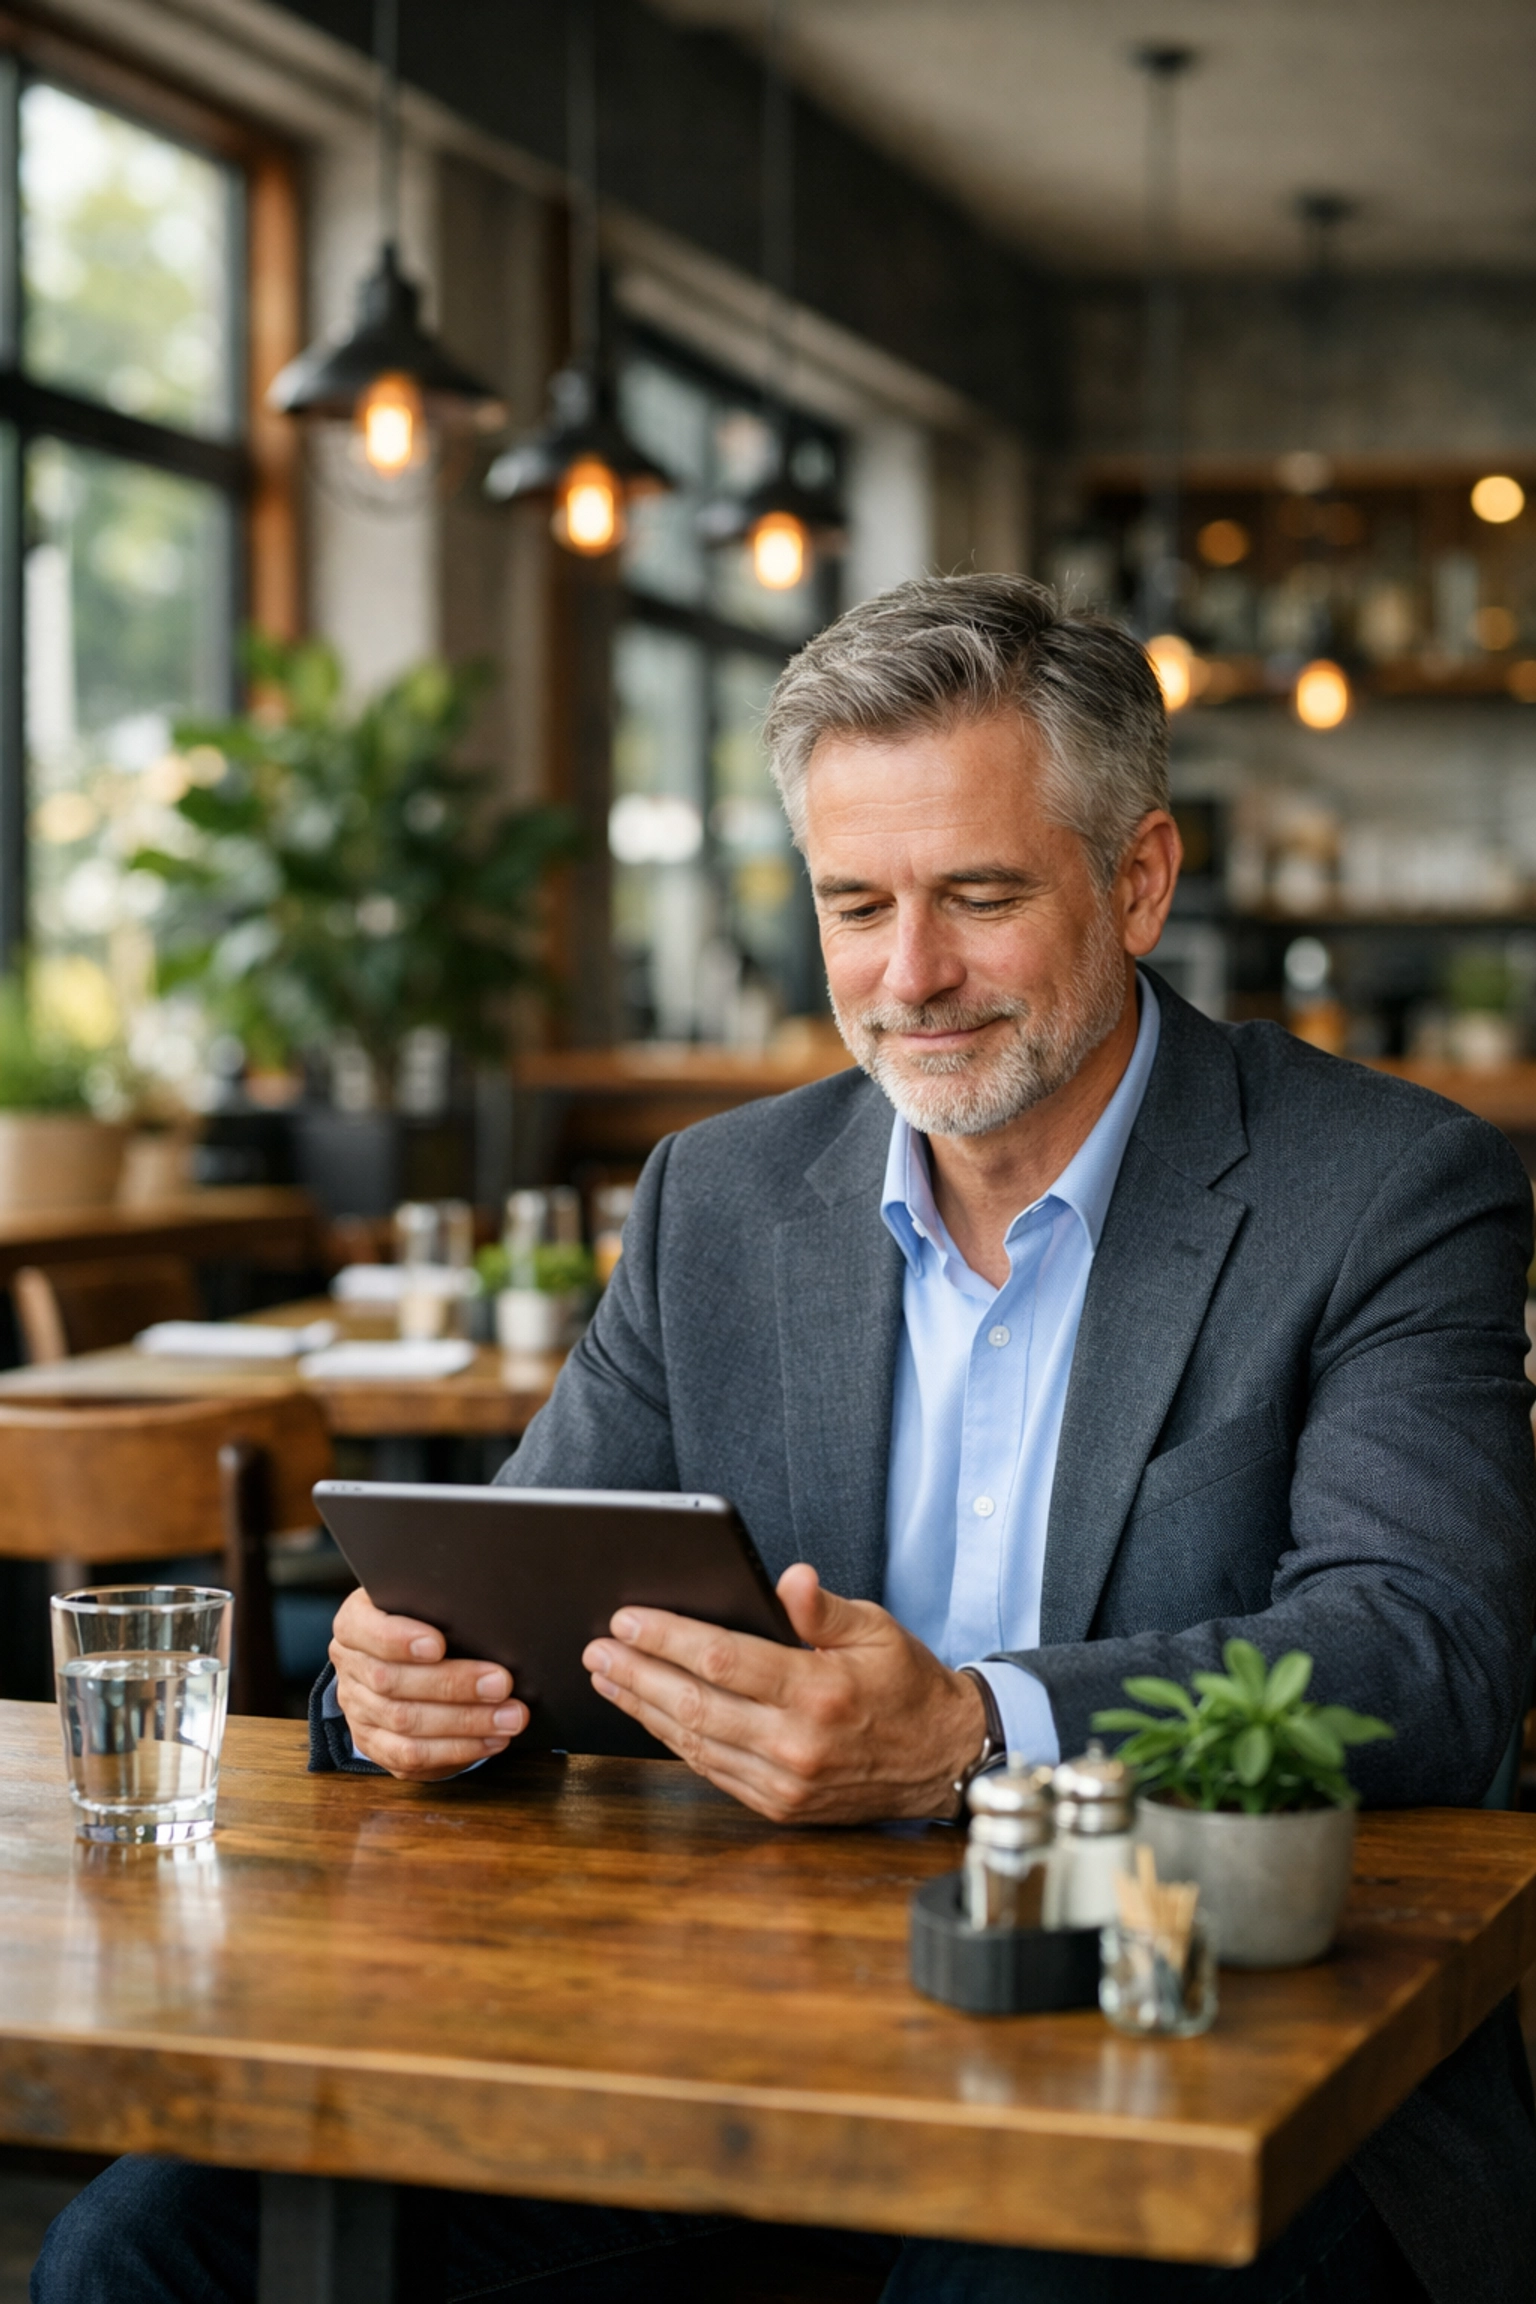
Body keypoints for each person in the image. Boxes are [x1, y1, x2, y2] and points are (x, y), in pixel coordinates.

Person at [36, 575, 1536, 2303]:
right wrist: (398, 1685)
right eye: (854, 905)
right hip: (741, 2029)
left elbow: (1427, 1651)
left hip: (1189, 2039)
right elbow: (506, 1583)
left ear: (1137, 882)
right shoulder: (721, 1198)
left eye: (979, 896)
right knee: (144, 2248)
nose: (911, 977)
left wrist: (976, 1733)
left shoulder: (1382, 1187)